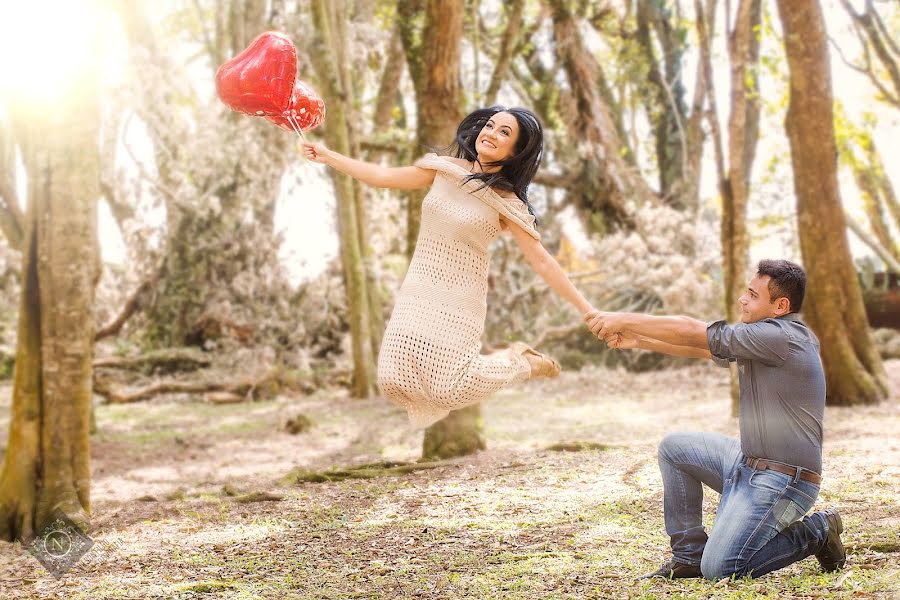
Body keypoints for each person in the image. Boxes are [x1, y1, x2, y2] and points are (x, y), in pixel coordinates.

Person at [302, 106, 595, 427]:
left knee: (448, 390)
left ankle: (523, 363)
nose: (491, 134)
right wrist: (329, 156)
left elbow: (543, 261)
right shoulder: (444, 170)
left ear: (517, 151)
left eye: (504, 133)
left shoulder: (507, 203)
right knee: (390, 378)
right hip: (419, 289)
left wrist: (586, 308)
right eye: (490, 126)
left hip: (461, 299)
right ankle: (512, 365)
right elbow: (383, 177)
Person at [584, 259, 845, 580]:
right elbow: (703, 347)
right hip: (746, 464)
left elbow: (691, 328)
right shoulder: (763, 338)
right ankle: (689, 556)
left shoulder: (783, 339)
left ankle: (818, 530)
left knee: (722, 568)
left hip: (785, 481)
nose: (742, 299)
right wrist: (640, 340)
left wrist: (621, 318)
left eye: (752, 294)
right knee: (675, 448)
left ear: (780, 305)